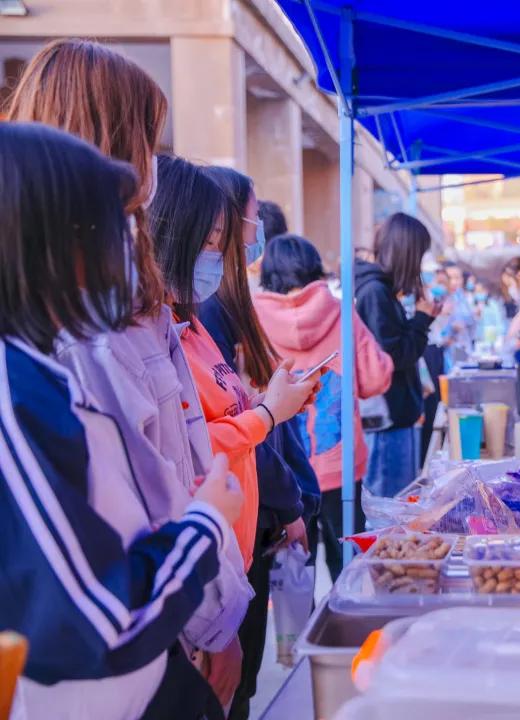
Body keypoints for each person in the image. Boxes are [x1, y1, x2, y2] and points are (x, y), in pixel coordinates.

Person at [6, 37, 253, 704]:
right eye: (148, 138)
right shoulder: (53, 355)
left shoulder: (103, 321)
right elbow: (96, 608)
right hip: (131, 660)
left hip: (159, 631)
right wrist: (209, 599)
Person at [149, 155, 319, 573]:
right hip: (208, 553)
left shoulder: (189, 322)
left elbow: (226, 409)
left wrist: (270, 401)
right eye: (211, 242)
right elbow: (192, 443)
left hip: (236, 542)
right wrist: (266, 414)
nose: (220, 255)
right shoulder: (163, 333)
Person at [198, 167, 322, 720]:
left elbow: (251, 414)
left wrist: (276, 406)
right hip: (233, 527)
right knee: (229, 691)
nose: (256, 230)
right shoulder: (205, 315)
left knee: (241, 684)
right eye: (250, 218)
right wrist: (289, 499)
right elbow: (229, 429)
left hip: (252, 521)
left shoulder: (222, 311)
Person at [255, 233, 394, 580]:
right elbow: (377, 379)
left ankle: (302, 634)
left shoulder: (253, 319)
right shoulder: (340, 312)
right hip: (341, 465)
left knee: (294, 574)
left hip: (283, 468)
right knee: (347, 567)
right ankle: (347, 632)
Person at [354, 212, 436, 497]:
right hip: (386, 421)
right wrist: (422, 320)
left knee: (395, 508)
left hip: (393, 418)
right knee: (389, 516)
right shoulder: (375, 292)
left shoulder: (379, 291)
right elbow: (394, 356)